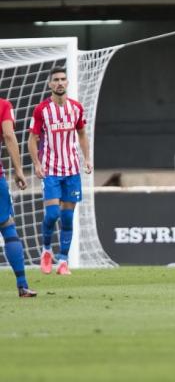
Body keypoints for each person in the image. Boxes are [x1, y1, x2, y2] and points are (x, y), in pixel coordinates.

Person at [28, 67, 92, 276]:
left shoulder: (76, 108)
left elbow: (82, 134)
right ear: (49, 84)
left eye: (63, 79)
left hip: (72, 169)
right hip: (51, 170)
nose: (60, 83)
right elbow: (32, 139)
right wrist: (37, 164)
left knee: (67, 217)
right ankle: (46, 251)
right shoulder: (41, 110)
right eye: (56, 80)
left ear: (67, 82)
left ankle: (63, 261)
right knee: (53, 214)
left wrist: (87, 158)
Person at [0, 97, 36, 297]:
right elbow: (8, 135)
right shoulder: (3, 105)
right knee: (7, 226)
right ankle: (22, 285)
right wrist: (19, 170)